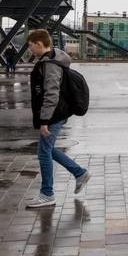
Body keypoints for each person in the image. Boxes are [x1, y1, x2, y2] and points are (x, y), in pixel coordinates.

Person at [25, 29, 90, 208]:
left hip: (53, 115)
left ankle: (47, 194)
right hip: (55, 113)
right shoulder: (49, 60)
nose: (30, 49)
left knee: (44, 153)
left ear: (39, 44)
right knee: (47, 149)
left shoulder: (50, 64)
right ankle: (80, 173)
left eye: (31, 46)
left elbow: (51, 94)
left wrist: (44, 120)